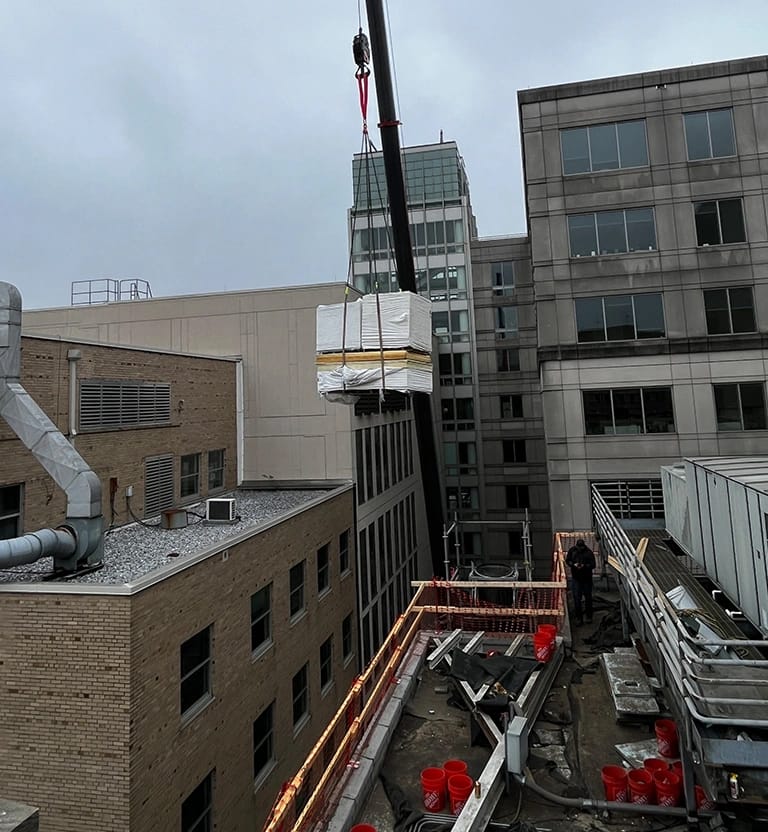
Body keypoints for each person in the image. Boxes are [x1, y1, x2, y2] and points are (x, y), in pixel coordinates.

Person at [566, 538, 595, 625]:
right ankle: (579, 618)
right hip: (577, 578)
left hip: (586, 578)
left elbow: (593, 565)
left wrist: (584, 566)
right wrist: (573, 565)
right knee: (577, 599)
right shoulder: (573, 551)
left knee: (588, 598)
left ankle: (588, 616)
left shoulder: (588, 553)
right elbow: (568, 560)